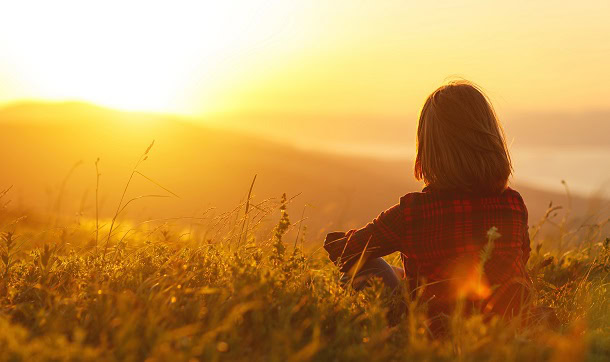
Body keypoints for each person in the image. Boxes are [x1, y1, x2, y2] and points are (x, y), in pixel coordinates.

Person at [324, 81, 533, 329]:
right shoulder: (513, 204)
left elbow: (345, 252)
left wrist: (400, 277)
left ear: (429, 148)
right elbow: (521, 257)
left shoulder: (414, 212)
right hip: (500, 326)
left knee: (367, 267)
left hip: (429, 328)